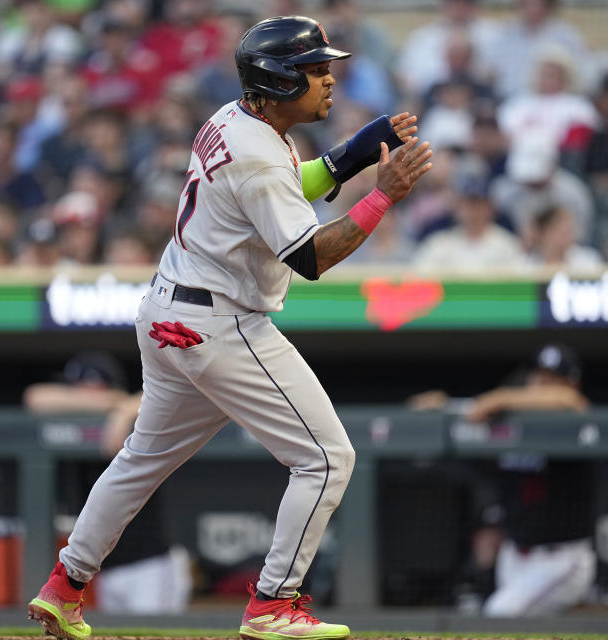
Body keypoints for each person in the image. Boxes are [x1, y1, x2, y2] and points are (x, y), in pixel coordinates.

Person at [27, 15, 432, 640]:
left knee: (140, 459)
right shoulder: (257, 153)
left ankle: (63, 588)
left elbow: (286, 188)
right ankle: (273, 602)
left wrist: (357, 151)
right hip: (219, 322)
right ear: (277, 80)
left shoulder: (235, 119)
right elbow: (309, 256)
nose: (329, 80)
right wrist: (383, 196)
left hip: (168, 311)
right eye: (316, 71)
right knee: (326, 459)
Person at [409, 344, 594, 617]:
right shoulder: (512, 419)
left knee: (500, 614)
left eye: (551, 378)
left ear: (571, 382)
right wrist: (448, 407)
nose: (540, 384)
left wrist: (500, 398)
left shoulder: (574, 419)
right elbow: (475, 415)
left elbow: (571, 401)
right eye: (538, 376)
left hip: (560, 556)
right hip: (515, 553)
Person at [25, 352, 191, 614]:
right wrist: (112, 405)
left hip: (150, 563)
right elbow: (36, 398)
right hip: (108, 568)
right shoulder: (80, 412)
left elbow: (172, 396)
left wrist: (123, 412)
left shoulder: (138, 411)